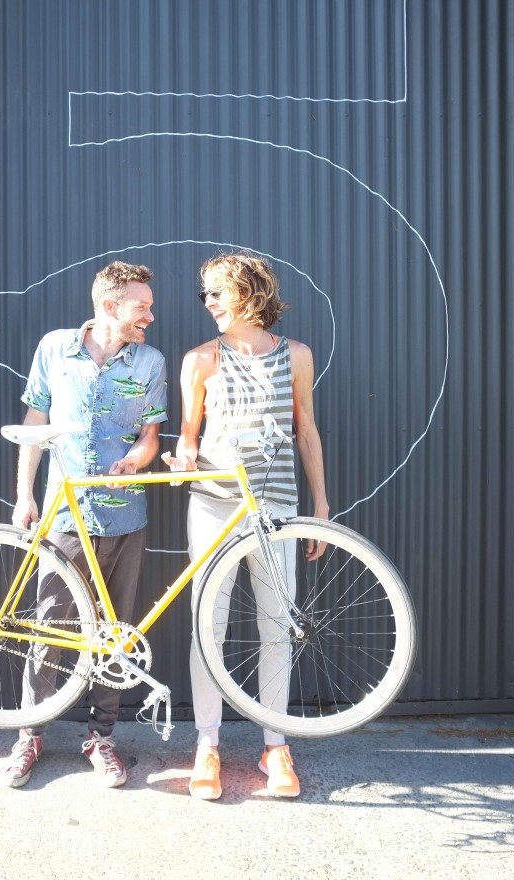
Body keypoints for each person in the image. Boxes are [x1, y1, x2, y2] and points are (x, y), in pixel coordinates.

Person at [163, 251, 329, 800]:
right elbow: (188, 435)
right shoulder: (200, 361)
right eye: (204, 293)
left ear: (246, 291)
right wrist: (184, 458)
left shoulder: (298, 356)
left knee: (277, 626)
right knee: (207, 628)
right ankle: (206, 747)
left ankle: (274, 746)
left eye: (215, 291)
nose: (207, 301)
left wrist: (320, 507)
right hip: (214, 504)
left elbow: (306, 431)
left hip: (277, 510)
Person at [2, 261, 167, 789]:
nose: (150, 315)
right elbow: (35, 424)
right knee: (51, 631)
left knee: (115, 636)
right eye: (141, 306)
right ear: (109, 305)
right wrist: (24, 494)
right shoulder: (55, 348)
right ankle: (28, 733)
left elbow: (150, 437)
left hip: (126, 516)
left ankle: (102, 738)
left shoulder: (151, 361)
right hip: (64, 515)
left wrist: (134, 463)